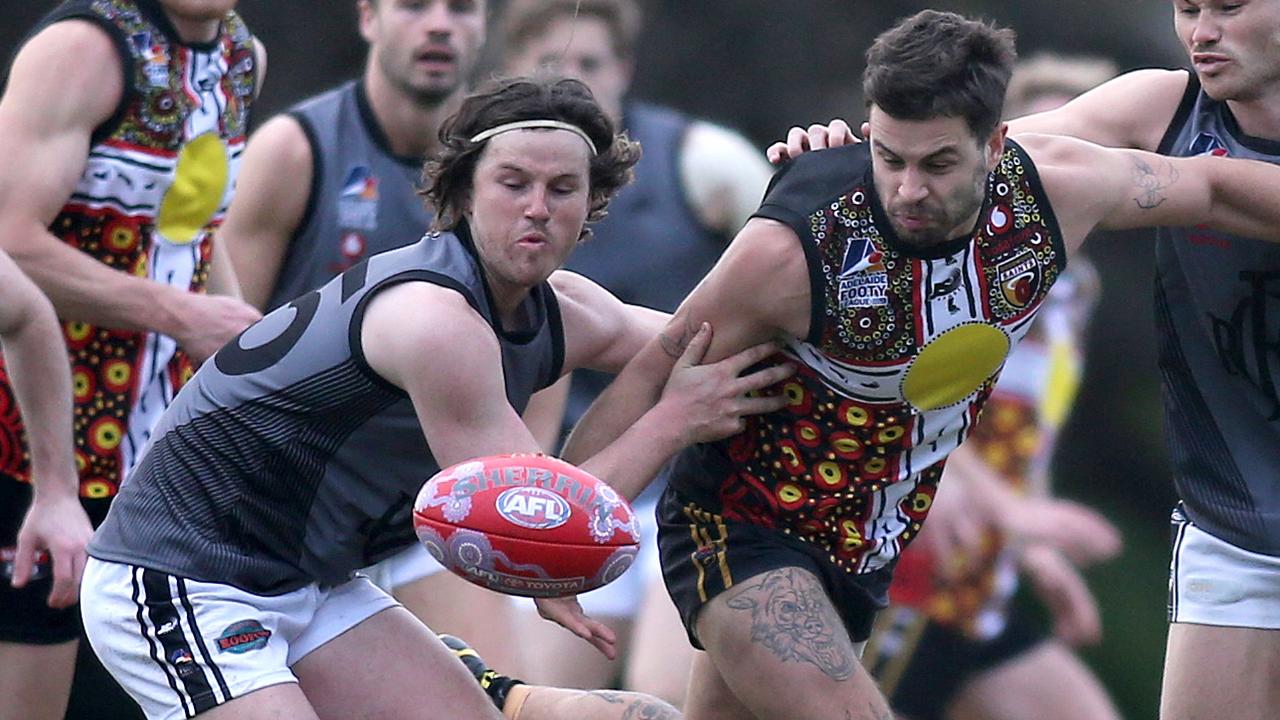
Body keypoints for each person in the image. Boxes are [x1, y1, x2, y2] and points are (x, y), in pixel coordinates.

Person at [561, 10, 1280, 720]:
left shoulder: (1056, 192)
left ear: (994, 147)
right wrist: (563, 540)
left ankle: (519, 707)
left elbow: (1212, 188)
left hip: (864, 555)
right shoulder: (794, 246)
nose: (907, 191)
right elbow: (655, 370)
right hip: (745, 534)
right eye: (889, 158)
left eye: (937, 163)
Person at [79, 74, 791, 719]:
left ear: (593, 202)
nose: (538, 209)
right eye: (513, 183)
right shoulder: (435, 321)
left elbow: (727, 338)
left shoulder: (567, 308)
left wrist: (811, 201)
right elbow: (536, 532)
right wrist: (675, 419)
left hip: (309, 584)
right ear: (463, 191)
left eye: (563, 189)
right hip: (184, 572)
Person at [218, 0, 534, 674]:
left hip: (433, 504)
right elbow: (221, 342)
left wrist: (526, 493)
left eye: (462, 8)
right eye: (415, 6)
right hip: (293, 512)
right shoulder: (296, 150)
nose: (440, 25)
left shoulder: (514, 173)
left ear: (486, 26)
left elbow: (541, 358)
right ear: (368, 17)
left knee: (501, 692)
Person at [498, 0, 773, 703]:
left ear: (622, 71)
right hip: (585, 477)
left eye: (590, 64)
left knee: (668, 699)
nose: (575, 83)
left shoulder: (704, 165)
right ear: (511, 75)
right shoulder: (499, 204)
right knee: (527, 698)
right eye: (553, 67)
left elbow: (796, 277)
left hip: (696, 484)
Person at [0, 2, 264, 718]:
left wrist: (247, 371)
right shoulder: (83, 49)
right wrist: (177, 313)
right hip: (31, 450)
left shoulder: (241, 56)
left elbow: (196, 239)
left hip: (157, 465)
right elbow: (9, 242)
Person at [854, 54, 1125, 720]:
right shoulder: (967, 260)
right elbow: (903, 397)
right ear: (1003, 151)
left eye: (1089, 145)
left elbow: (1024, 438)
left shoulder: (1077, 288)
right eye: (1046, 142)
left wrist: (1033, 550)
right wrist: (997, 510)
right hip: (917, 560)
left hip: (983, 577)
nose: (1063, 164)